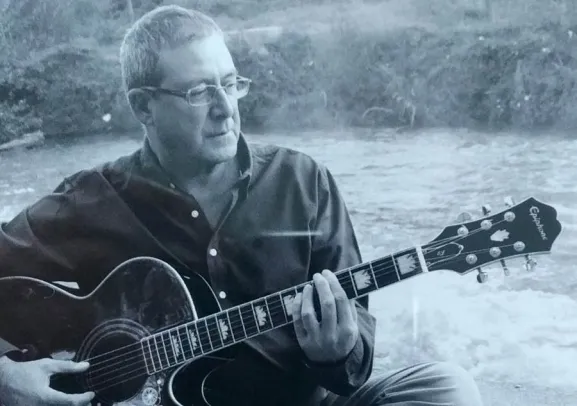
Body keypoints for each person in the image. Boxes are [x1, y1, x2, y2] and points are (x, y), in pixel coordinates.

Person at [0, 5, 484, 406]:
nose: (225, 107)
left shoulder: (303, 182)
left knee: (447, 388)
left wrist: (336, 351)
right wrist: (4, 376)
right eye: (199, 92)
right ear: (144, 106)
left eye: (231, 84)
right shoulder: (91, 200)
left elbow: (351, 369)